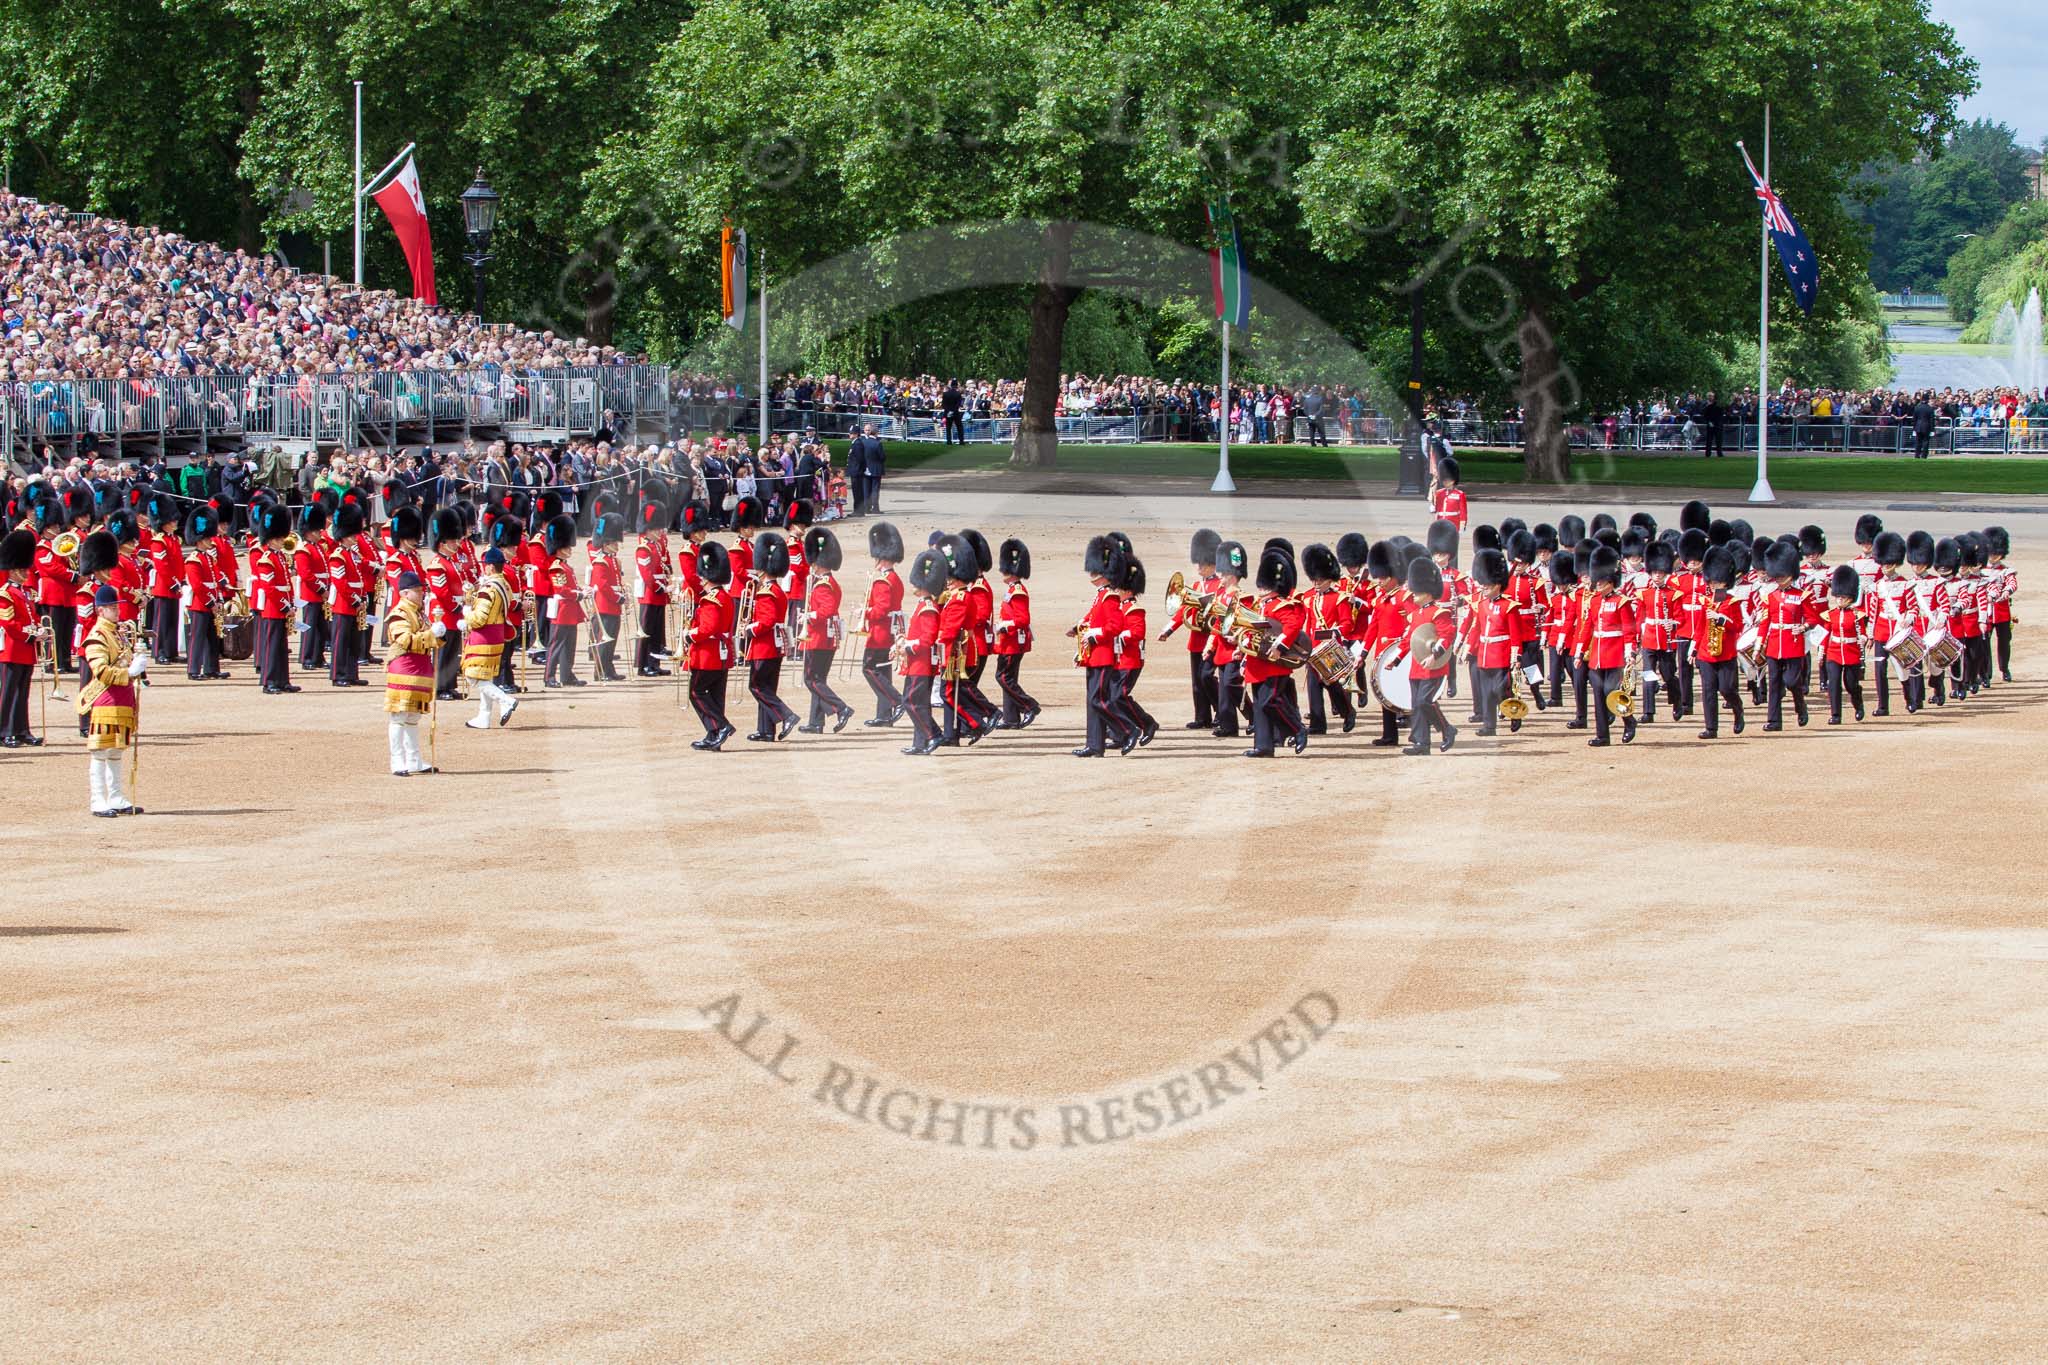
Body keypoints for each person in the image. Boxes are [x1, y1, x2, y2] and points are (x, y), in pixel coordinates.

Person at [78, 583, 149, 816]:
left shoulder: (117, 632)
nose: (117, 611)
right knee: (101, 751)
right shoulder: (97, 636)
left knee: (117, 750)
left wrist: (136, 660)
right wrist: (128, 672)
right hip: (106, 699)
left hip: (123, 698)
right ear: (100, 610)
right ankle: (98, 799)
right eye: (111, 607)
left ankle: (116, 796)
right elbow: (101, 671)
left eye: (116, 607)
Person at [1241, 547, 1308, 757]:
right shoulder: (1259, 607)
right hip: (1258, 662)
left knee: (1271, 700)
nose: (1260, 589)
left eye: (1264, 585)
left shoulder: (1280, 606)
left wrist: (1280, 645)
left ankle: (1297, 729)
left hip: (1274, 663)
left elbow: (1293, 625)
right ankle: (1263, 745)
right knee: (1261, 706)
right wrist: (1242, 651)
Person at [1071, 535, 1130, 758]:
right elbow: (1093, 620)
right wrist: (1079, 627)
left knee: (1099, 700)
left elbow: (1116, 626)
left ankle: (1127, 730)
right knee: (1092, 702)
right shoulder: (1100, 597)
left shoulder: (1111, 597)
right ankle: (1094, 744)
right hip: (1094, 655)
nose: (1092, 573)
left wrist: (1096, 633)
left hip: (1104, 655)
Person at [795, 526, 856, 733]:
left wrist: (808, 616)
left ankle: (841, 708)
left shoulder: (823, 585)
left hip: (818, 638)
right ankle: (816, 722)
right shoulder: (830, 582)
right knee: (818, 680)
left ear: (817, 564)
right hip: (825, 639)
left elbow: (827, 610)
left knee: (811, 679)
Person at [383, 571, 443, 775]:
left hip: (420, 667)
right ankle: (397, 760)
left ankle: (414, 759)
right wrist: (431, 634)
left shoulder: (419, 613)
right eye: (418, 591)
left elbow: (428, 639)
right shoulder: (399, 613)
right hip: (405, 668)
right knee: (399, 717)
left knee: (413, 717)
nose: (422, 594)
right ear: (405, 593)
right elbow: (406, 640)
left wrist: (439, 635)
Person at [741, 533, 799, 741]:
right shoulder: (777, 590)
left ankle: (786, 715)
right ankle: (766, 730)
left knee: (756, 686)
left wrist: (748, 629)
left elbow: (766, 621)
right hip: (775, 645)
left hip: (764, 646)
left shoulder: (766, 592)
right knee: (767, 688)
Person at [1160, 529, 1220, 730]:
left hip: (1212, 639)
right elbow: (1182, 610)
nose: (1199, 568)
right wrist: (1168, 630)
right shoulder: (1195, 585)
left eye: (1203, 565)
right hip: (1196, 639)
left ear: (1213, 565)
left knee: (1207, 677)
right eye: (1199, 564)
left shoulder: (1220, 586)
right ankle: (1202, 716)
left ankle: (1221, 710)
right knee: (1197, 681)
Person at [1581, 545, 1639, 746]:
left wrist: (1630, 652)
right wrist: (1580, 651)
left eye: (1601, 581)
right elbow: (1588, 627)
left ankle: (1628, 720)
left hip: (1614, 654)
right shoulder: (1594, 601)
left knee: (1610, 692)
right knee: (1597, 695)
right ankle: (1602, 736)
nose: (1597, 584)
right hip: (1596, 654)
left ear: (1611, 581)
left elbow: (1629, 630)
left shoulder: (1622, 602)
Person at [1758, 539, 1817, 730]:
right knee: (1774, 683)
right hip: (1775, 643)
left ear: (1790, 575)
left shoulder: (1802, 595)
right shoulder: (1770, 596)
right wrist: (1759, 644)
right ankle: (1774, 721)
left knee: (1792, 681)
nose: (1779, 580)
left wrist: (1804, 627)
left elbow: (1813, 618)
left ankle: (1801, 706)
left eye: (1782, 576)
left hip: (1793, 643)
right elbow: (1765, 621)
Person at [1400, 556, 1456, 754]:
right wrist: (1396, 658)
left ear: (1428, 591)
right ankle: (1422, 744)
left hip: (1434, 665)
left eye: (1416, 591)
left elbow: (1446, 636)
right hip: (1417, 665)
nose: (1413, 594)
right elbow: (1410, 640)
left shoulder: (1439, 612)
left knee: (1425, 701)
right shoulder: (1415, 614)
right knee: (1416, 705)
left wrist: (1434, 656)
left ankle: (1447, 729)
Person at [460, 548, 520, 730]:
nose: (484, 569)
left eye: (486, 566)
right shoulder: (504, 584)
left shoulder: (488, 588)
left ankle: (506, 700)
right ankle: (484, 716)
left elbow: (479, 618)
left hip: (484, 637)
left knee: (473, 676)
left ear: (491, 567)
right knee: (485, 675)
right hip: (497, 635)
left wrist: (466, 613)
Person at [685, 541, 737, 750]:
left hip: (708, 655)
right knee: (715, 696)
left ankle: (722, 727)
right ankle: (714, 736)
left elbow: (708, 628)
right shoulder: (724, 597)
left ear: (707, 576)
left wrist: (689, 634)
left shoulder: (711, 600)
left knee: (696, 692)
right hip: (721, 654)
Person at [1300, 543, 1356, 735]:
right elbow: (1307, 623)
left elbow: (1347, 624)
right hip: (1313, 648)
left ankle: (1348, 711)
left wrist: (1335, 632)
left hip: (1330, 648)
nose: (1316, 583)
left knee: (1332, 685)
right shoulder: (1308, 597)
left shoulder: (1339, 598)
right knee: (1314, 687)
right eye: (1314, 579)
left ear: (1329, 579)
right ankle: (1317, 723)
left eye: (1320, 579)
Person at [1692, 547, 1747, 738]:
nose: (1716, 585)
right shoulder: (1705, 601)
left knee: (1727, 688)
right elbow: (1700, 626)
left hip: (1726, 653)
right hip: (1706, 652)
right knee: (1708, 691)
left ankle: (1737, 709)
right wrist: (1694, 648)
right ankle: (1711, 728)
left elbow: (1738, 626)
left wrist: (1721, 618)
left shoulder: (1732, 602)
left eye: (1719, 582)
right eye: (1713, 582)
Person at [896, 547, 946, 755]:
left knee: (912, 702)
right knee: (916, 702)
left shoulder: (928, 608)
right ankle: (920, 742)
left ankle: (933, 735)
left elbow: (926, 640)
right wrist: (901, 643)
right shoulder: (922, 605)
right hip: (916, 663)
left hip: (922, 663)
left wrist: (908, 645)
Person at [1463, 548, 1518, 735]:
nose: (1483, 588)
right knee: (1486, 692)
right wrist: (1468, 648)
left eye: (1487, 585)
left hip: (1501, 654)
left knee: (1500, 690)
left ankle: (1514, 712)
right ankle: (1489, 726)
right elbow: (1477, 629)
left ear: (1497, 584)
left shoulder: (1509, 606)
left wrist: (1515, 656)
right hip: (1484, 654)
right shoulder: (1481, 604)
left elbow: (1515, 634)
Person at [0, 528, 45, 747]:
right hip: (12, 649)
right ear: (12, 570)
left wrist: (39, 630)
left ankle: (21, 729)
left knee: (23, 692)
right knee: (8, 693)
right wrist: (31, 634)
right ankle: (4, 730)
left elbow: (32, 617)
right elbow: (9, 624)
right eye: (21, 569)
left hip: (25, 650)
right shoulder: (5, 594)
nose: (26, 573)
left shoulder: (25, 593)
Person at [859, 521, 906, 726]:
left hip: (879, 632)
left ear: (882, 558)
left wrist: (864, 612)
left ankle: (897, 700)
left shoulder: (882, 581)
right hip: (890, 631)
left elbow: (880, 610)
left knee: (869, 668)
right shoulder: (895, 579)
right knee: (884, 670)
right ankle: (884, 715)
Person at [249, 501, 298, 694]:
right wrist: (285, 606)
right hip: (273, 608)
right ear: (269, 540)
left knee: (281, 645)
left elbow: (286, 583)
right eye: (277, 538)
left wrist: (290, 603)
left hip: (283, 606)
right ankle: (269, 681)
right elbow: (270, 588)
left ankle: (282, 679)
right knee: (271, 646)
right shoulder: (266, 560)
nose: (281, 541)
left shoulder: (279, 557)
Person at [1110, 556, 1158, 750]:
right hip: (1118, 659)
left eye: (1119, 589)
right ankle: (1120, 733)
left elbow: (1137, 633)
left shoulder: (1135, 609)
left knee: (1119, 696)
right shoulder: (1119, 607)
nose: (1116, 592)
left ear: (1127, 590)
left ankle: (1147, 724)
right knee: (1112, 697)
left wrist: (1118, 634)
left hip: (1130, 660)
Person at [991, 537, 1039, 727]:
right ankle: (1011, 717)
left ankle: (1029, 706)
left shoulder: (1018, 591)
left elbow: (1022, 620)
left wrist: (1004, 625)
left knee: (1003, 677)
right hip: (1008, 640)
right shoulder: (1011, 590)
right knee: (1008, 677)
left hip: (1013, 642)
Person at [424, 508, 469, 698]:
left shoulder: (451, 562)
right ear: (442, 543)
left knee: (453, 652)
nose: (456, 543)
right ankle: (440, 687)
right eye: (452, 540)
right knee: (442, 652)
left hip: (455, 613)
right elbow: (441, 592)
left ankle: (449, 685)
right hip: (444, 613)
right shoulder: (437, 565)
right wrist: (457, 606)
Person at [181, 505, 229, 680]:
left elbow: (215, 581)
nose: (211, 541)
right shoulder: (193, 560)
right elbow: (198, 585)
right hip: (200, 603)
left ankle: (211, 668)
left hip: (211, 602)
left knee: (212, 637)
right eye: (208, 538)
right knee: (198, 638)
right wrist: (211, 602)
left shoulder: (209, 558)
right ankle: (193, 669)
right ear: (200, 539)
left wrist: (219, 600)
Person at [634, 486, 675, 677]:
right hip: (651, 594)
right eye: (657, 528)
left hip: (658, 594)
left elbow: (663, 567)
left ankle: (654, 663)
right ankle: (643, 666)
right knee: (647, 632)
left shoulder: (655, 546)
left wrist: (668, 580)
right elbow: (648, 575)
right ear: (649, 529)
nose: (660, 531)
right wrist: (661, 586)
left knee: (657, 632)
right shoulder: (644, 548)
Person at [541, 514, 586, 688]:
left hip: (570, 611)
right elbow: (561, 589)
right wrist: (578, 594)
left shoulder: (566, 566)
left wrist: (582, 591)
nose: (570, 549)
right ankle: (549, 676)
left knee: (570, 645)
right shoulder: (556, 568)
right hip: (561, 611)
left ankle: (567, 675)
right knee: (556, 645)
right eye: (567, 546)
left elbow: (571, 586)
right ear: (559, 548)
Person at [1819, 564, 1867, 725]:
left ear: (1850, 598)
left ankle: (1858, 703)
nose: (1840, 600)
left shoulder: (1857, 615)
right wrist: (1821, 652)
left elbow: (1863, 633)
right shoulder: (1830, 614)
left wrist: (1864, 638)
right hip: (1833, 653)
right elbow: (1826, 635)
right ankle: (1835, 714)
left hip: (1851, 652)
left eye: (1843, 598)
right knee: (1833, 683)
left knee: (1851, 684)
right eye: (1838, 597)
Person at [586, 512, 626, 683]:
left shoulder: (612, 560)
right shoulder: (600, 561)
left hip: (613, 604)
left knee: (611, 641)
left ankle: (609, 670)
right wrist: (617, 598)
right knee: (604, 642)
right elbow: (602, 585)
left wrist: (622, 594)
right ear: (606, 544)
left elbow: (616, 581)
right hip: (605, 605)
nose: (617, 545)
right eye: (614, 542)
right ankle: (600, 671)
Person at [293, 498, 330, 671]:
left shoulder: (318, 547)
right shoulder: (303, 549)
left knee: (321, 626)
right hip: (311, 593)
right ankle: (307, 656)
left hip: (322, 591)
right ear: (309, 531)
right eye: (316, 529)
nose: (320, 532)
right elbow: (306, 574)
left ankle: (318, 656)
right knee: (310, 626)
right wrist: (322, 589)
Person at [1983, 525, 2015, 683]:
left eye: (1997, 553)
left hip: (2002, 612)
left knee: (2004, 642)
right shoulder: (1980, 571)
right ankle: (1986, 673)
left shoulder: (2006, 570)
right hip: (1985, 613)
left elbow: (2011, 583)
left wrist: (2007, 592)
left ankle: (2005, 669)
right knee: (1984, 644)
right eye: (1992, 553)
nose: (1994, 556)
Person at [1428, 455, 1467, 530]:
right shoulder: (1439, 493)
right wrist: (1433, 485)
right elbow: (1433, 505)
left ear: (1453, 480)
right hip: (1440, 523)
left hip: (1453, 524)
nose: (1445, 482)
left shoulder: (1459, 494)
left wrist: (1462, 526)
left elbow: (1463, 512)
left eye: (1448, 480)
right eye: (1444, 480)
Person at [1911, 395, 1937, 459]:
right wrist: (1932, 429)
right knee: (1926, 442)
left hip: (1918, 426)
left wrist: (1914, 428)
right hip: (1926, 427)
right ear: (1928, 400)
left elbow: (1914, 419)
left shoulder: (1917, 407)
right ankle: (1924, 455)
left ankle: (1917, 455)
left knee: (1918, 442)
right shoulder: (1930, 408)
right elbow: (1931, 420)